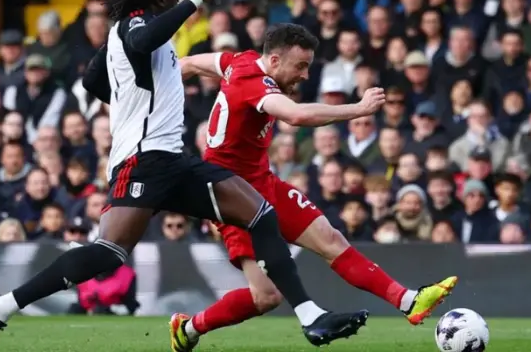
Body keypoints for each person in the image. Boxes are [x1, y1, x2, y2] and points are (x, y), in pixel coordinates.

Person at [0, 0, 367, 351]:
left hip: (169, 159)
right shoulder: (135, 25)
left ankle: (310, 316)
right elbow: (137, 42)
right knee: (107, 253)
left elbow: (92, 79)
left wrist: (132, 97)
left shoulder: (137, 35)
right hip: (143, 161)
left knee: (261, 213)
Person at [170, 23, 458, 351]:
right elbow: (295, 115)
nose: (305, 75)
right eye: (301, 66)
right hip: (232, 196)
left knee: (331, 239)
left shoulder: (239, 61)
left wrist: (159, 88)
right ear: (275, 61)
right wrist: (358, 110)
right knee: (265, 297)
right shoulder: (254, 83)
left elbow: (189, 63)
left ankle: (409, 301)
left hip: (264, 183)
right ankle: (189, 327)